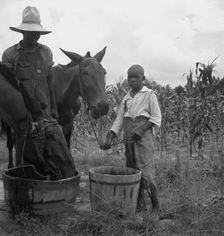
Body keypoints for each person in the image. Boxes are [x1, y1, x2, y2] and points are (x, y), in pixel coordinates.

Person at [101, 64, 161, 213]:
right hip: (129, 137)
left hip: (143, 137)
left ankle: (156, 208)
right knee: (133, 169)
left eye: (136, 77)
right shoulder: (126, 98)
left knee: (146, 170)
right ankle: (139, 205)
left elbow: (156, 118)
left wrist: (141, 129)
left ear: (143, 79)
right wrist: (110, 136)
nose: (133, 80)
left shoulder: (149, 94)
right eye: (130, 77)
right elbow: (119, 120)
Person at [2, 6, 58, 119]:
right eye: (31, 32)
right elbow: (6, 89)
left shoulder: (46, 52)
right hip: (19, 114)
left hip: (44, 113)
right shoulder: (9, 54)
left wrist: (54, 108)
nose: (36, 35)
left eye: (37, 32)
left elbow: (50, 82)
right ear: (23, 32)